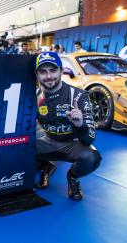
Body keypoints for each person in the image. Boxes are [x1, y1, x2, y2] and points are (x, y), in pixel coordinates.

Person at [35, 51, 101, 201]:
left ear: (61, 71)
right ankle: (45, 167)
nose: (49, 76)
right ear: (37, 75)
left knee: (92, 158)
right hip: (46, 141)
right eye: (43, 71)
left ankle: (73, 178)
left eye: (53, 70)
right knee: (16, 148)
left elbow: (90, 138)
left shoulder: (78, 96)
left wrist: (81, 125)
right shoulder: (33, 96)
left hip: (72, 144)